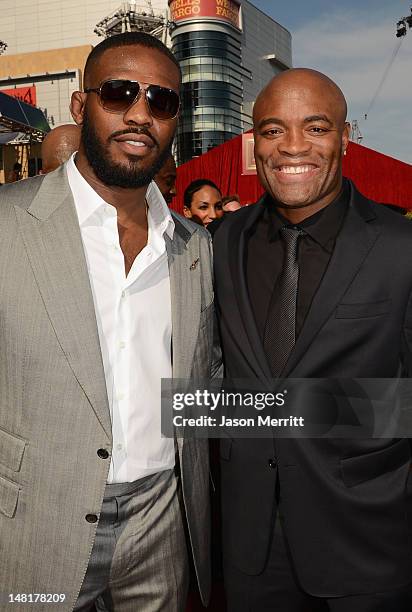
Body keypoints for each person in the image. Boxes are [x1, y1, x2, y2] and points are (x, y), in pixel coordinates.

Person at [0, 31, 220, 612]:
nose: (140, 115)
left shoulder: (195, 247)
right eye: (119, 93)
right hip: (33, 523)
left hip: (161, 522)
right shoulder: (7, 224)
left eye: (162, 101)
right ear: (80, 105)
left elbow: (207, 382)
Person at [213, 68, 412, 611]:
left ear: (346, 139)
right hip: (249, 551)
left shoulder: (401, 248)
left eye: (315, 127)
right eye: (273, 131)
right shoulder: (224, 241)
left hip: (369, 545)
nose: (292, 146)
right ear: (254, 145)